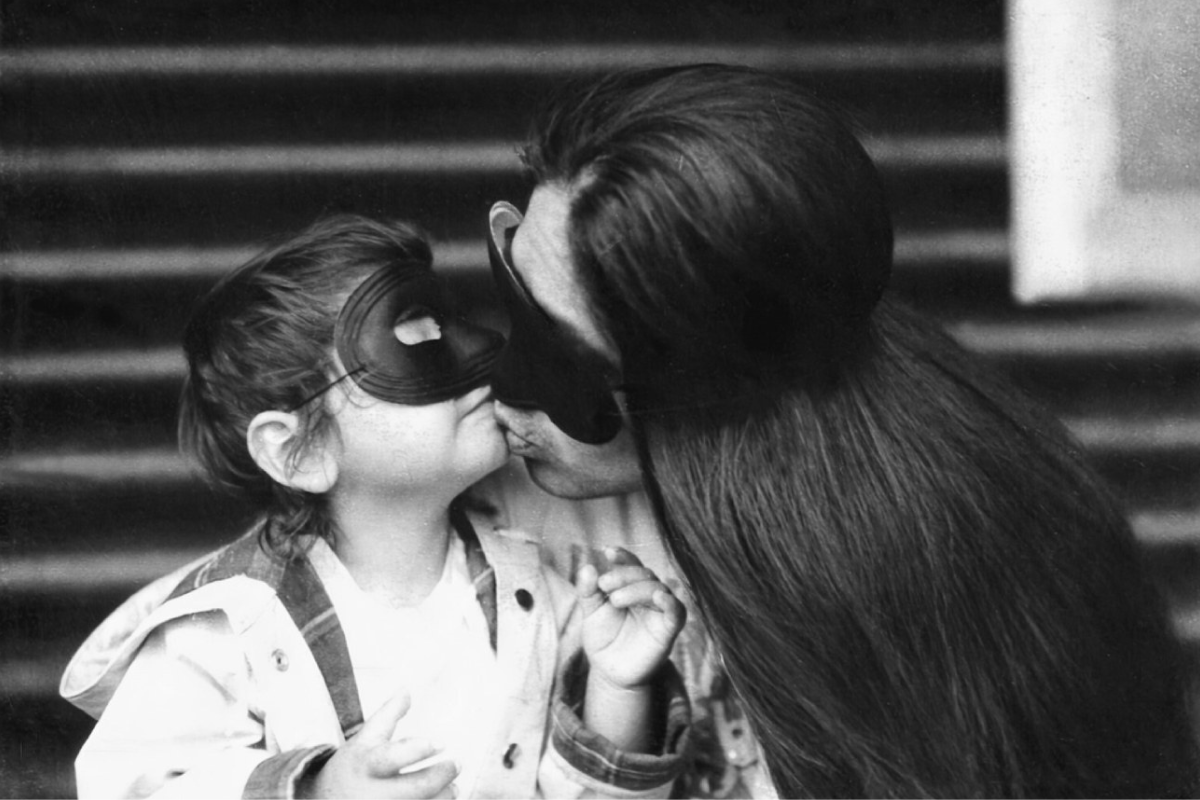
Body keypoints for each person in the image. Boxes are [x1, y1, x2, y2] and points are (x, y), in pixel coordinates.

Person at [481, 64, 1200, 797]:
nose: (497, 381)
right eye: (508, 284)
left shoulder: (909, 573)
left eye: (553, 350)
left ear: (694, 381)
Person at [58, 215, 690, 799]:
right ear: (297, 453)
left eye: (451, 320)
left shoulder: (544, 592)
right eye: (414, 336)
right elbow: (133, 784)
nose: (483, 348)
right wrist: (312, 790)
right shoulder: (221, 626)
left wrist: (618, 687)